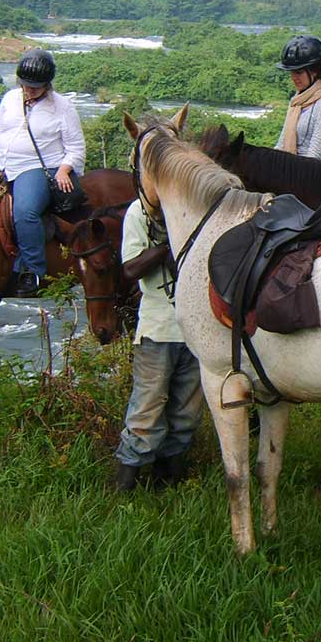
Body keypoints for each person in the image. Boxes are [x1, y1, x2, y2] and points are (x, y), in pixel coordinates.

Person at [112, 199, 205, 492]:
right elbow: (130, 268)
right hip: (158, 328)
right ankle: (124, 488)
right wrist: (169, 246)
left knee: (187, 414)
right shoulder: (140, 211)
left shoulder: (199, 206)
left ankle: (167, 483)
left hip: (198, 330)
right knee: (146, 410)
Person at [0, 48, 86, 297]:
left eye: (35, 88)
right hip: (2, 164)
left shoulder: (62, 106)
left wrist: (64, 169)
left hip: (37, 167)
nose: (29, 91)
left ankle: (31, 272)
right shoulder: (10, 98)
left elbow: (76, 147)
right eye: (25, 86)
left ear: (47, 85)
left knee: (25, 211)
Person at [274, 34, 321, 161]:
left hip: (312, 170)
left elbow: (314, 155)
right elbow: (281, 143)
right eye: (292, 72)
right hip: (289, 166)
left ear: (314, 71)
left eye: (299, 72)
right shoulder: (296, 101)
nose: (294, 77)